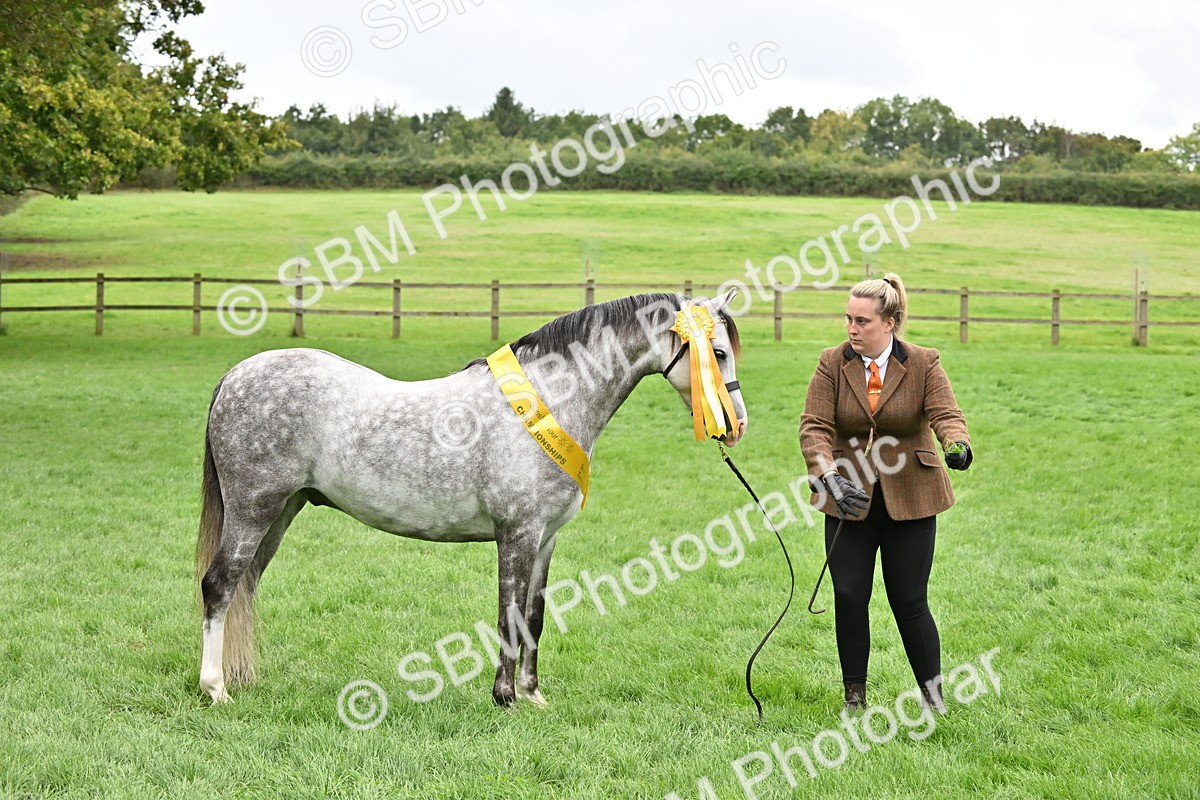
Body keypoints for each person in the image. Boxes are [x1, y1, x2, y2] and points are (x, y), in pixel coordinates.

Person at [798, 273, 972, 713]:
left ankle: (933, 699)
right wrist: (827, 473)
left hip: (912, 499)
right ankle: (854, 697)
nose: (852, 329)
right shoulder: (831, 362)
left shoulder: (923, 362)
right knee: (850, 596)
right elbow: (814, 426)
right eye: (848, 319)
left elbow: (945, 413)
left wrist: (957, 444)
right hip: (847, 499)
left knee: (910, 602)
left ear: (890, 323)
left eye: (862, 321)